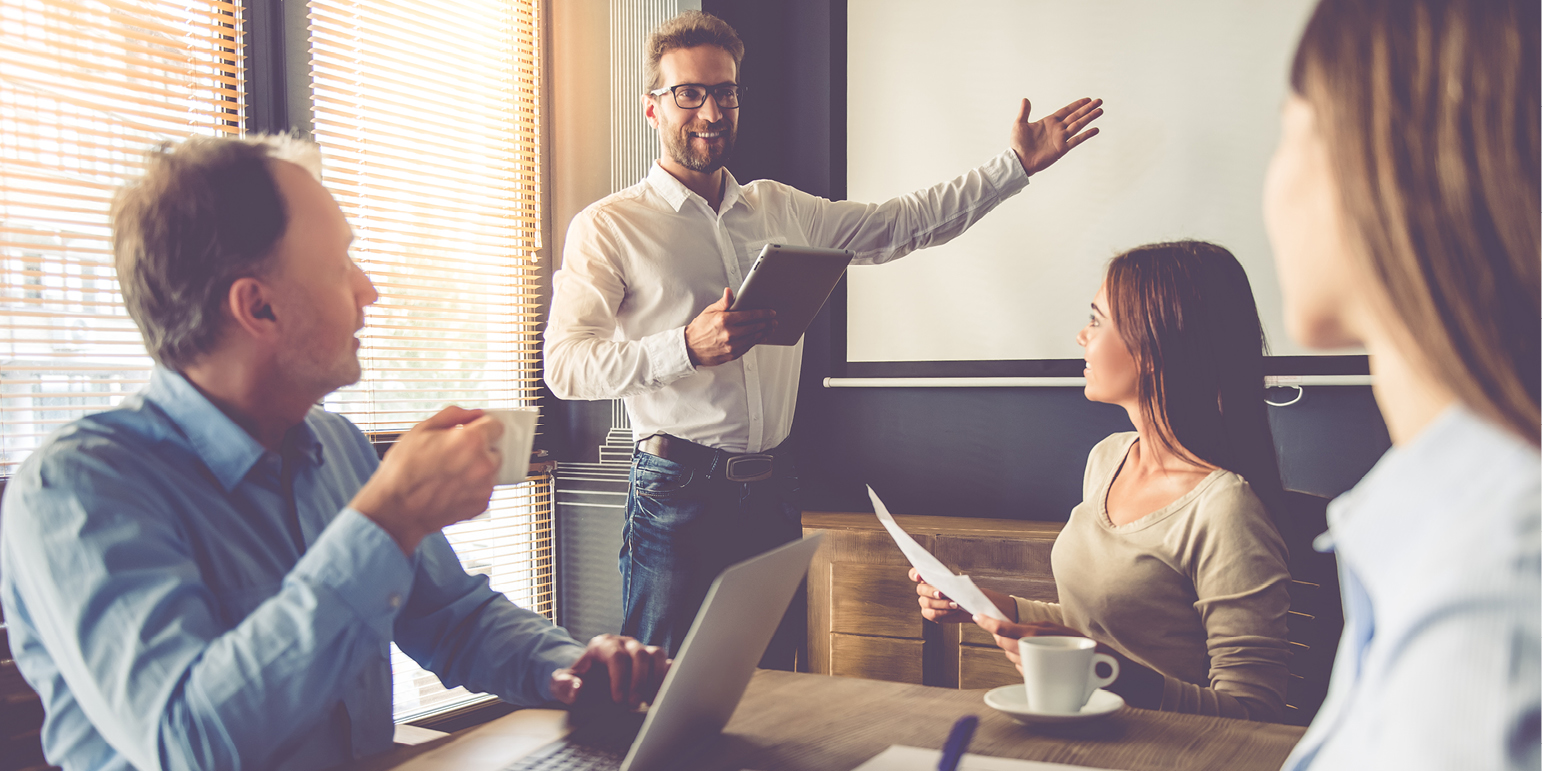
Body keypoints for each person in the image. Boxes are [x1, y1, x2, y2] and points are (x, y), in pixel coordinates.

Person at [0, 136, 669, 771]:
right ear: (258, 308)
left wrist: (574, 665)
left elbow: (453, 617)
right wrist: (386, 519)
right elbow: (188, 741)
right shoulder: (76, 489)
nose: (367, 289)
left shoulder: (338, 445)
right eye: (340, 262)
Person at [543, 10, 1104, 664]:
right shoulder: (607, 227)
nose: (711, 110)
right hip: (677, 495)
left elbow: (903, 224)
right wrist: (685, 346)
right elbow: (566, 366)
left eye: (724, 91)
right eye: (688, 93)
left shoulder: (779, 208)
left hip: (774, 490)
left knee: (780, 688)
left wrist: (1013, 166)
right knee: (663, 688)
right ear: (652, 108)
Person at [1262, 0, 1539, 766]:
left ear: (1381, 161)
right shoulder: (1439, 527)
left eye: (1288, 129)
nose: (1271, 186)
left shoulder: (1496, 589)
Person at [912, 241, 1292, 721]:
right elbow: (1090, 629)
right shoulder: (1108, 457)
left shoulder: (1225, 510)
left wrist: (1107, 671)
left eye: (1096, 320)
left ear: (1153, 347)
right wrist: (990, 605)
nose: (1080, 336)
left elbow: (1254, 715)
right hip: (1084, 733)